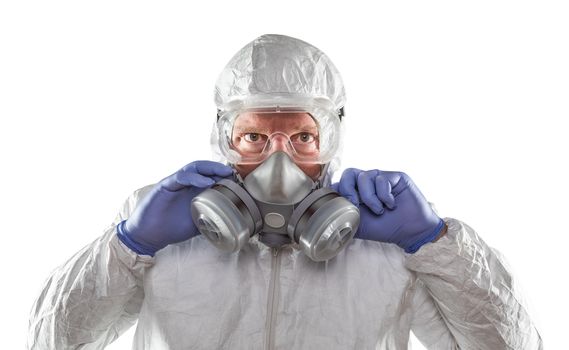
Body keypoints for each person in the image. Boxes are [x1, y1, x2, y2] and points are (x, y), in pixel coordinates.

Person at [27, 34, 542, 349]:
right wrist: (128, 246)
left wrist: (434, 242)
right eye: (254, 136)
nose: (280, 161)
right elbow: (54, 341)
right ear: (224, 137)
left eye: (302, 137)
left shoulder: (386, 241)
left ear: (330, 141)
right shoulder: (162, 226)